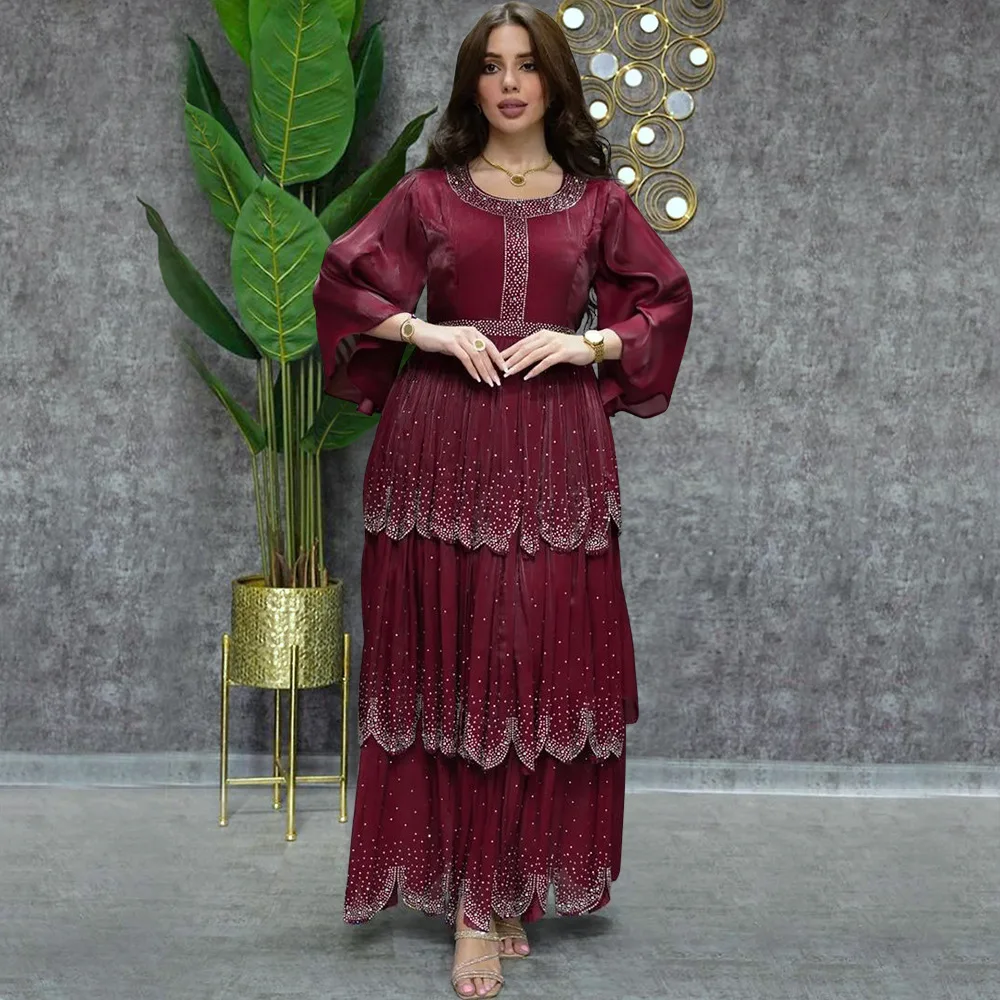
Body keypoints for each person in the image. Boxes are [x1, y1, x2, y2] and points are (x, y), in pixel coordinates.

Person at [313, 3, 693, 996]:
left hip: (557, 450)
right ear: (471, 83)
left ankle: (503, 877)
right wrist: (428, 332)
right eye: (491, 66)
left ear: (554, 80)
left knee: (532, 661)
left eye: (527, 65)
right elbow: (342, 285)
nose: (511, 83)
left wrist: (588, 342)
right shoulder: (427, 195)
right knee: (455, 662)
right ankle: (476, 908)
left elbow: (664, 302)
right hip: (441, 448)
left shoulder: (597, 203)